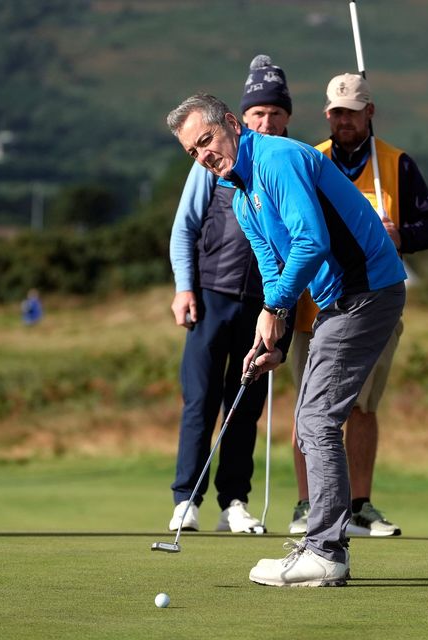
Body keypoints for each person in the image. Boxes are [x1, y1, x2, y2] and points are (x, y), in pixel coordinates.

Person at [166, 93, 406, 587]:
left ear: (231, 124)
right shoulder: (240, 188)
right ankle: (325, 547)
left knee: (316, 418)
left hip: (367, 289)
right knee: (312, 417)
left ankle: (325, 550)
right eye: (193, 152)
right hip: (339, 298)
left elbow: (311, 242)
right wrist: (270, 330)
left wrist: (275, 309)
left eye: (206, 140)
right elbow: (272, 263)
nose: (204, 155)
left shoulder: (278, 158)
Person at [286, 73, 428, 537]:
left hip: (375, 304)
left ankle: (358, 505)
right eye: (336, 112)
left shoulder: (395, 163)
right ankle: (306, 504)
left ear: (369, 112)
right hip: (315, 306)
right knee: (309, 407)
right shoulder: (309, 159)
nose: (343, 121)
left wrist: (402, 236)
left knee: (362, 406)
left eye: (352, 112)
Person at [166, 55, 294, 535]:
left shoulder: (286, 163)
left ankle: (234, 501)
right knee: (199, 399)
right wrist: (184, 288)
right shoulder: (211, 162)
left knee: (244, 404)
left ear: (286, 118)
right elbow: (184, 230)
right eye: (259, 113)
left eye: (276, 113)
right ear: (241, 119)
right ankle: (186, 498)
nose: (268, 121)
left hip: (264, 305)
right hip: (211, 296)